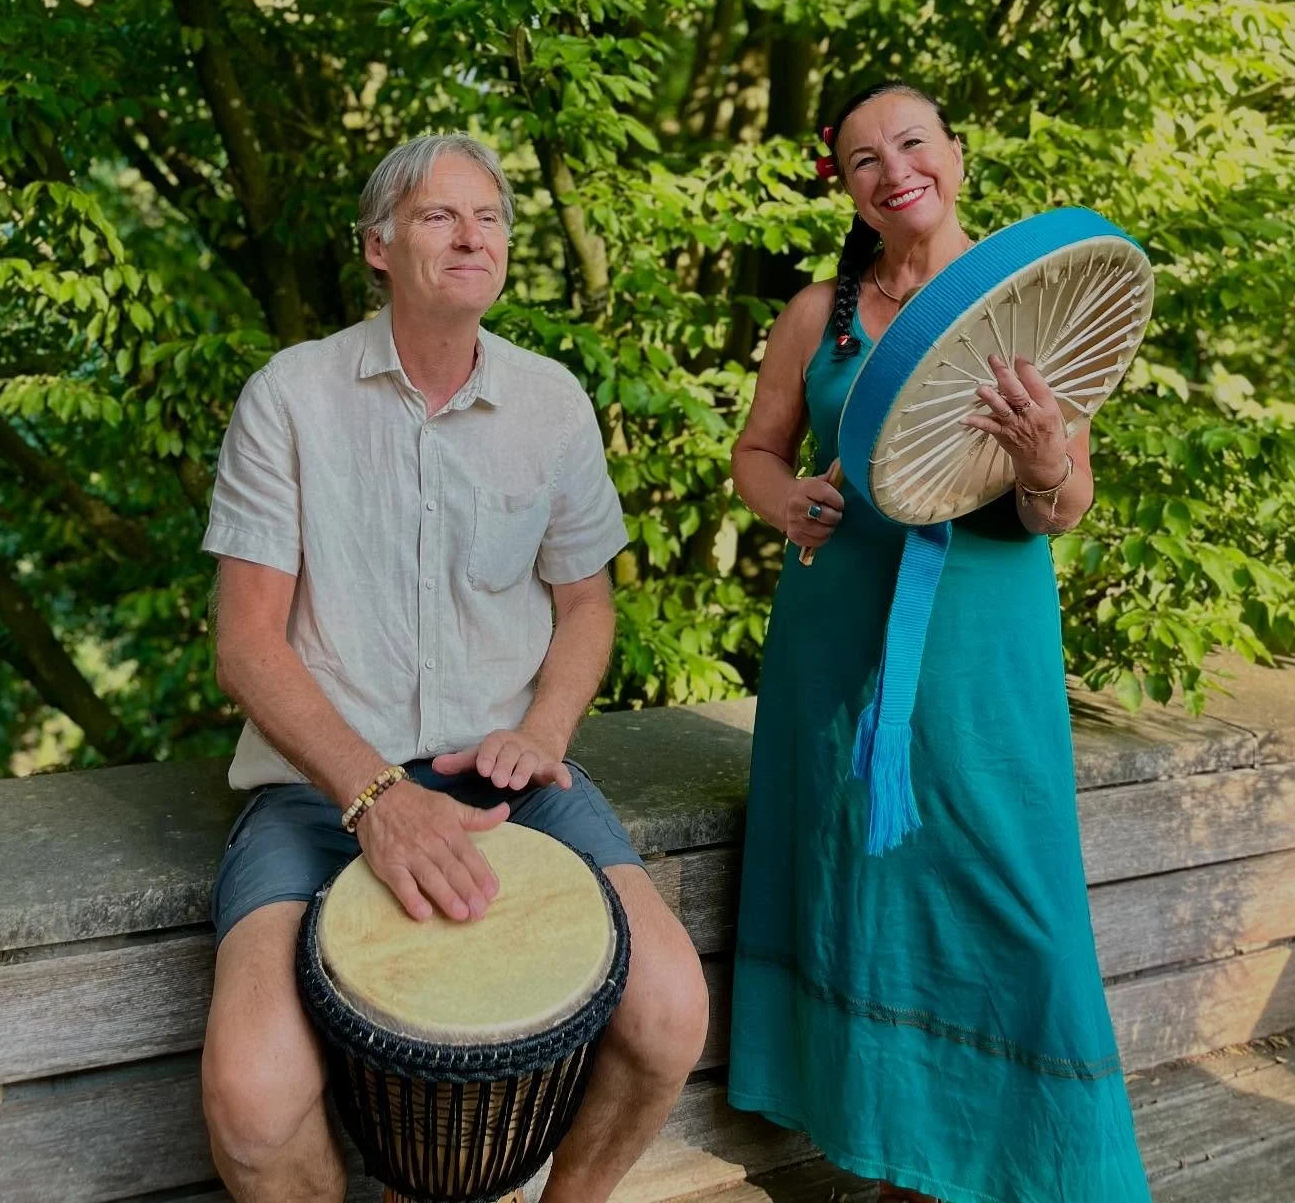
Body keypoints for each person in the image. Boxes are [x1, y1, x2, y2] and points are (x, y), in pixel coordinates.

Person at [199, 133, 709, 1203]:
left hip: (507, 776)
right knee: (251, 1098)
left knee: (669, 1010)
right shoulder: (288, 397)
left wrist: (546, 734)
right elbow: (246, 640)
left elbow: (587, 603)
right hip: (316, 787)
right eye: (440, 216)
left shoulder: (553, 400)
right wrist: (374, 792)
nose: (473, 234)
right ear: (378, 244)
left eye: (491, 217)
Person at [727, 83, 1150, 1203]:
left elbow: (1064, 507)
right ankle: (891, 1160)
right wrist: (790, 503)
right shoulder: (821, 313)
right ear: (845, 185)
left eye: (911, 141)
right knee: (857, 890)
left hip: (982, 657)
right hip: (833, 653)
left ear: (956, 153)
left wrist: (1045, 457)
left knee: (1022, 906)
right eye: (863, 156)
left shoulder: (1034, 298)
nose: (892, 167)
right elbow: (759, 452)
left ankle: (1042, 1169)